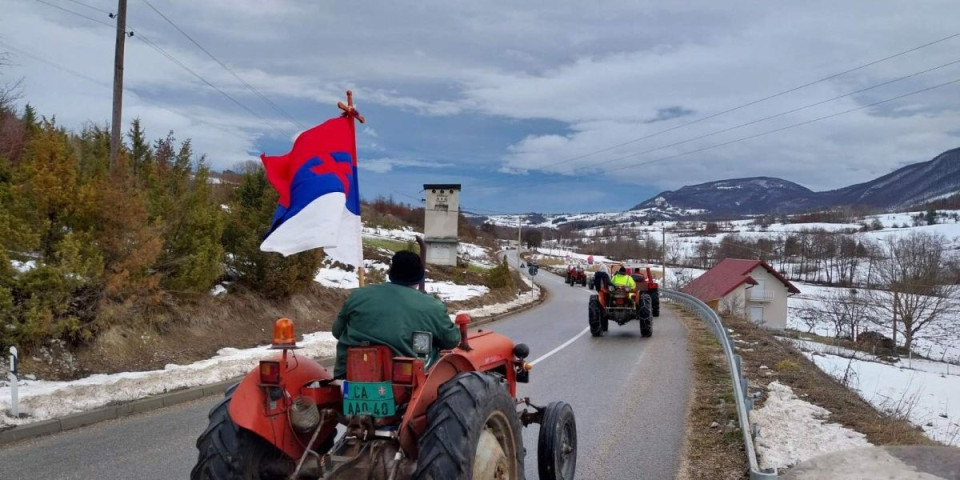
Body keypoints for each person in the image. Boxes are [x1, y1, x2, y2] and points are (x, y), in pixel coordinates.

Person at [332, 250, 461, 378]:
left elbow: (337, 331)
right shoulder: (433, 306)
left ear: (391, 273)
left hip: (348, 374)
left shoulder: (358, 295)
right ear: (419, 276)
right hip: (406, 381)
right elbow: (451, 341)